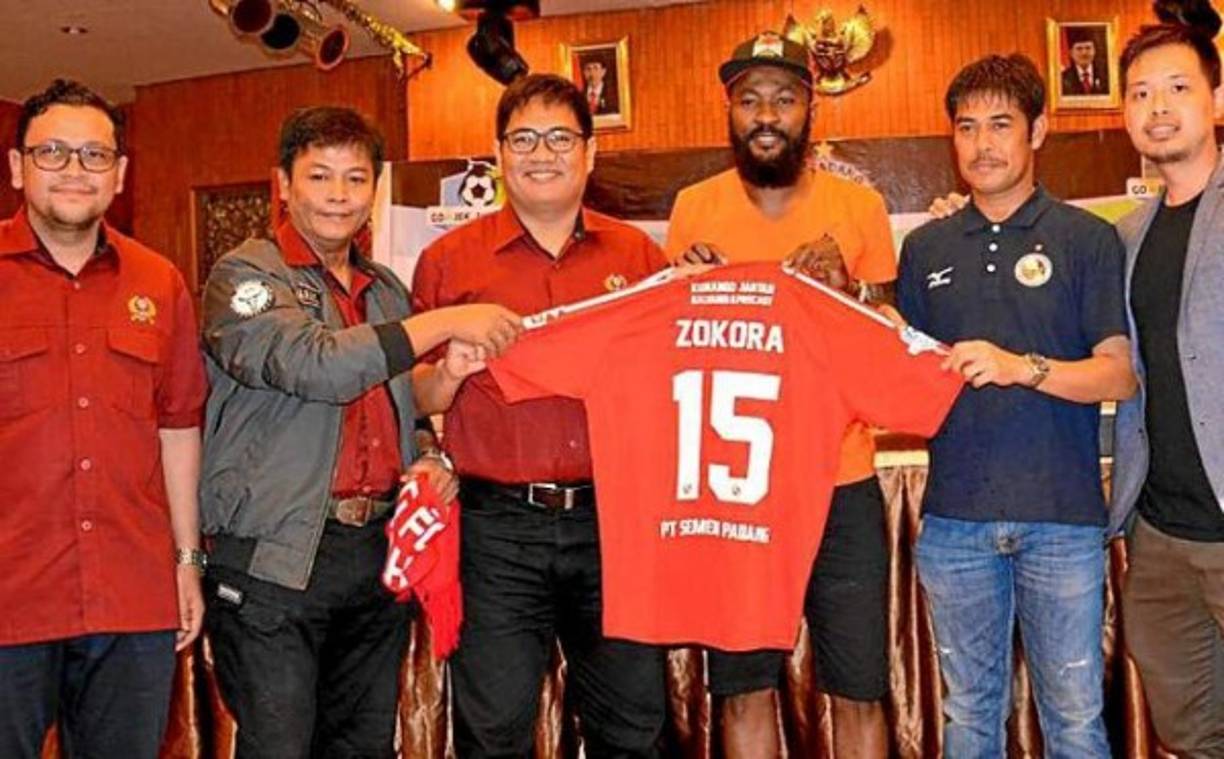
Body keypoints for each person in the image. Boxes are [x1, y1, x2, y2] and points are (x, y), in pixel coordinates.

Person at [199, 105, 521, 758]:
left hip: (372, 552)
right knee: (279, 746)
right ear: (283, 185)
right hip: (274, 557)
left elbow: (405, 395)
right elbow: (317, 365)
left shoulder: (383, 289)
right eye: (320, 177)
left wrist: (448, 383)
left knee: (363, 744)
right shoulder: (245, 276)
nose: (338, 196)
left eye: (355, 178)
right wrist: (450, 320)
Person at [411, 73, 668, 757]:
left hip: (613, 520)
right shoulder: (447, 261)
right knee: (494, 731)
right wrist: (452, 370)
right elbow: (417, 395)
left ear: (590, 153)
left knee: (633, 727)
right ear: (499, 155)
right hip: (498, 530)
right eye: (523, 138)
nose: (542, 153)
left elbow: (672, 384)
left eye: (560, 137)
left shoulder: (640, 259)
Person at [896, 54, 1135, 758]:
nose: (982, 144)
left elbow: (1118, 376)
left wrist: (1019, 368)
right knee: (968, 719)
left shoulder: (1088, 238)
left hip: (1062, 519)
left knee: (1075, 719)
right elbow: (905, 374)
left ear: (1039, 130)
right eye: (966, 127)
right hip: (953, 520)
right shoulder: (925, 246)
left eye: (1001, 124)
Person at [668, 31, 896, 759]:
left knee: (859, 690)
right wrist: (683, 293)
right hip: (734, 489)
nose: (767, 114)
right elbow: (674, 353)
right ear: (729, 112)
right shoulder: (692, 208)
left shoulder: (859, 207)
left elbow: (892, 346)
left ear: (811, 111)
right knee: (743, 689)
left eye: (785, 98)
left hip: (842, 482)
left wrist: (852, 290)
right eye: (749, 99)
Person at [0, 79, 207, 758]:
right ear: (16, 166)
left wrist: (185, 559)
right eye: (52, 152)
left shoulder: (159, 281)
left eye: (93, 155)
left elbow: (178, 425)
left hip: (131, 590)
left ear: (119, 174)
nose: (73, 170)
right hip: (10, 590)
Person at [1112, 2, 1224, 752]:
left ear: (1216, 100)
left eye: (1179, 88)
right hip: (1159, 536)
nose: (1158, 107)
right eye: (1142, 92)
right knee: (1191, 735)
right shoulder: (1125, 234)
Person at [1061, 28, 1109, 95]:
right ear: (1071, 53)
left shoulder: (1106, 76)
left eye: (1088, 48)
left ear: (1094, 51)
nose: (1084, 53)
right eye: (1079, 49)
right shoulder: (1063, 79)